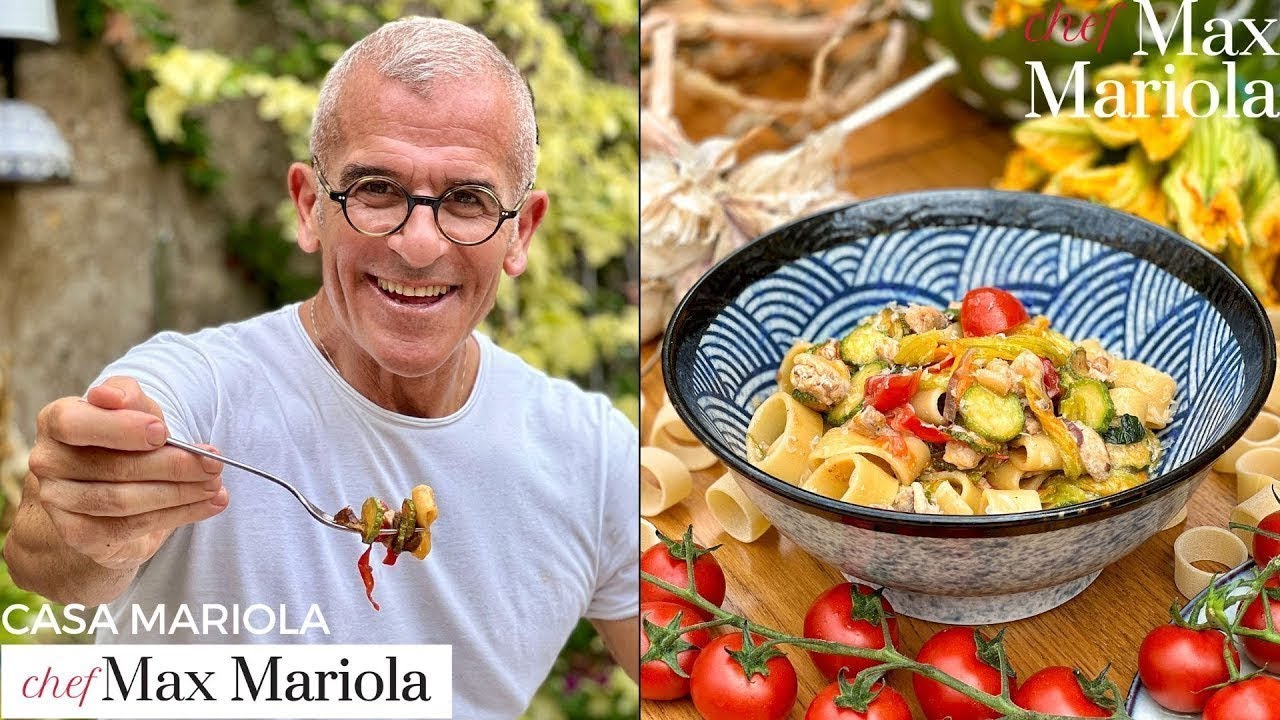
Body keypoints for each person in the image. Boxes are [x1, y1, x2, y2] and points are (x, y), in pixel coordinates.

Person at [2, 16, 639, 716]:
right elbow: (48, 561)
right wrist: (86, 509)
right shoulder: (199, 393)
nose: (419, 244)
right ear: (310, 208)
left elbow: (692, 665)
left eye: (467, 200)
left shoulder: (594, 456)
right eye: (376, 190)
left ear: (521, 232)